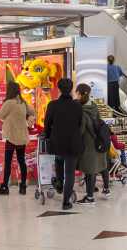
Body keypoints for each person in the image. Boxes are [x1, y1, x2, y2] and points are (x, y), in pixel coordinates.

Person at [43, 78, 84, 210]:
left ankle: (59, 184)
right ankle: (66, 201)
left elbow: (47, 123)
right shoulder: (77, 105)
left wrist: (48, 136)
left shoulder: (52, 104)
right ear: (72, 90)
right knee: (70, 171)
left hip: (58, 140)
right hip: (72, 141)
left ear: (59, 90)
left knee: (59, 160)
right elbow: (79, 123)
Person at [0, 83, 37, 195]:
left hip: (11, 136)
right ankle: (23, 186)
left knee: (7, 163)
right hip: (21, 137)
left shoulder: (8, 103)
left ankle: (4, 188)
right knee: (21, 161)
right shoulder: (22, 102)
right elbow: (32, 111)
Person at [76, 83, 108, 205]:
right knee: (93, 169)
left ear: (79, 93)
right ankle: (91, 193)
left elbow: (81, 131)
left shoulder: (82, 111)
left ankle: (90, 197)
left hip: (89, 144)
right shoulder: (94, 106)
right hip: (98, 141)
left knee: (90, 170)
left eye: (76, 92)